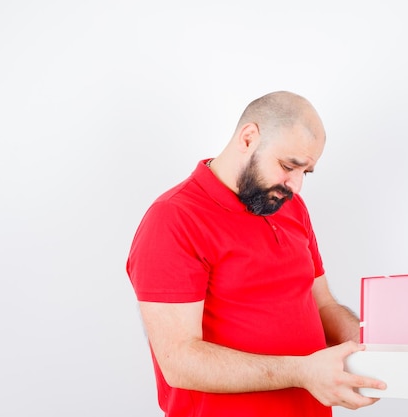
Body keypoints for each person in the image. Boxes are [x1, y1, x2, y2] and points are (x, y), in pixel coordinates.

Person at [126, 91, 386, 417]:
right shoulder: (173, 218)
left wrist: (370, 344)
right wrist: (301, 371)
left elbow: (324, 306)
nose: (296, 186)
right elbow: (179, 361)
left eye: (305, 172)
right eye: (288, 166)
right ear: (248, 138)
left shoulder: (291, 207)